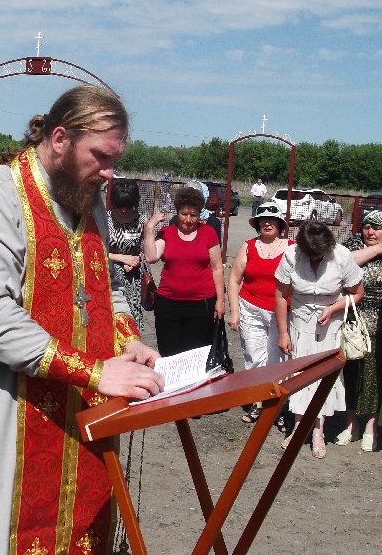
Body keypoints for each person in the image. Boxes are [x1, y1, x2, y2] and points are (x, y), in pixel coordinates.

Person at [0, 86, 163, 555]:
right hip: (4, 395)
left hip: (80, 404)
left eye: (115, 159)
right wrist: (96, 372)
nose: (110, 172)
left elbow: (104, 288)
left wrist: (127, 340)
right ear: (60, 139)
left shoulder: (90, 200)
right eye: (101, 157)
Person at [274, 220, 364, 455]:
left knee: (323, 378)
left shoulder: (342, 256)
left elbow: (357, 293)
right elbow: (281, 296)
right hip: (299, 325)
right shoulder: (291, 255)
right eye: (310, 255)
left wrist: (333, 309)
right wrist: (283, 333)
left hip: (330, 327)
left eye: (319, 255)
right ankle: (298, 427)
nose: (314, 259)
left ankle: (318, 430)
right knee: (299, 376)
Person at [227, 201, 292, 424]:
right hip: (251, 309)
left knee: (278, 359)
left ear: (280, 224)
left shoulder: (292, 248)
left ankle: (277, 407)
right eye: (262, 220)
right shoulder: (248, 247)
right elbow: (234, 280)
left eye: (272, 220)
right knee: (254, 356)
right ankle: (257, 402)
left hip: (280, 313)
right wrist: (234, 311)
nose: (267, 223)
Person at [143, 184, 225, 357]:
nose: (188, 220)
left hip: (201, 304)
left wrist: (220, 300)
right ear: (177, 212)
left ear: (200, 214)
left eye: (193, 215)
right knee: (169, 355)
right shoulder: (167, 233)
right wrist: (149, 228)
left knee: (195, 357)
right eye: (184, 214)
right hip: (168, 304)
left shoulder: (209, 233)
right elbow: (151, 257)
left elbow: (217, 268)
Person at [339, 210, 382, 452]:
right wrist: (377, 249)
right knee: (352, 374)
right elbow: (343, 262)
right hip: (354, 324)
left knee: (375, 377)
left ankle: (371, 427)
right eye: (366, 227)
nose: (370, 232)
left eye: (377, 228)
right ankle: (351, 425)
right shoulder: (352, 246)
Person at [106, 178, 147, 331]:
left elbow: (147, 252)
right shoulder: (105, 219)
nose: (123, 210)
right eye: (119, 205)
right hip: (109, 276)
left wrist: (136, 260)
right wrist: (122, 258)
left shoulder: (141, 220)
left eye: (128, 206)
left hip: (132, 279)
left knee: (131, 321)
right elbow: (98, 251)